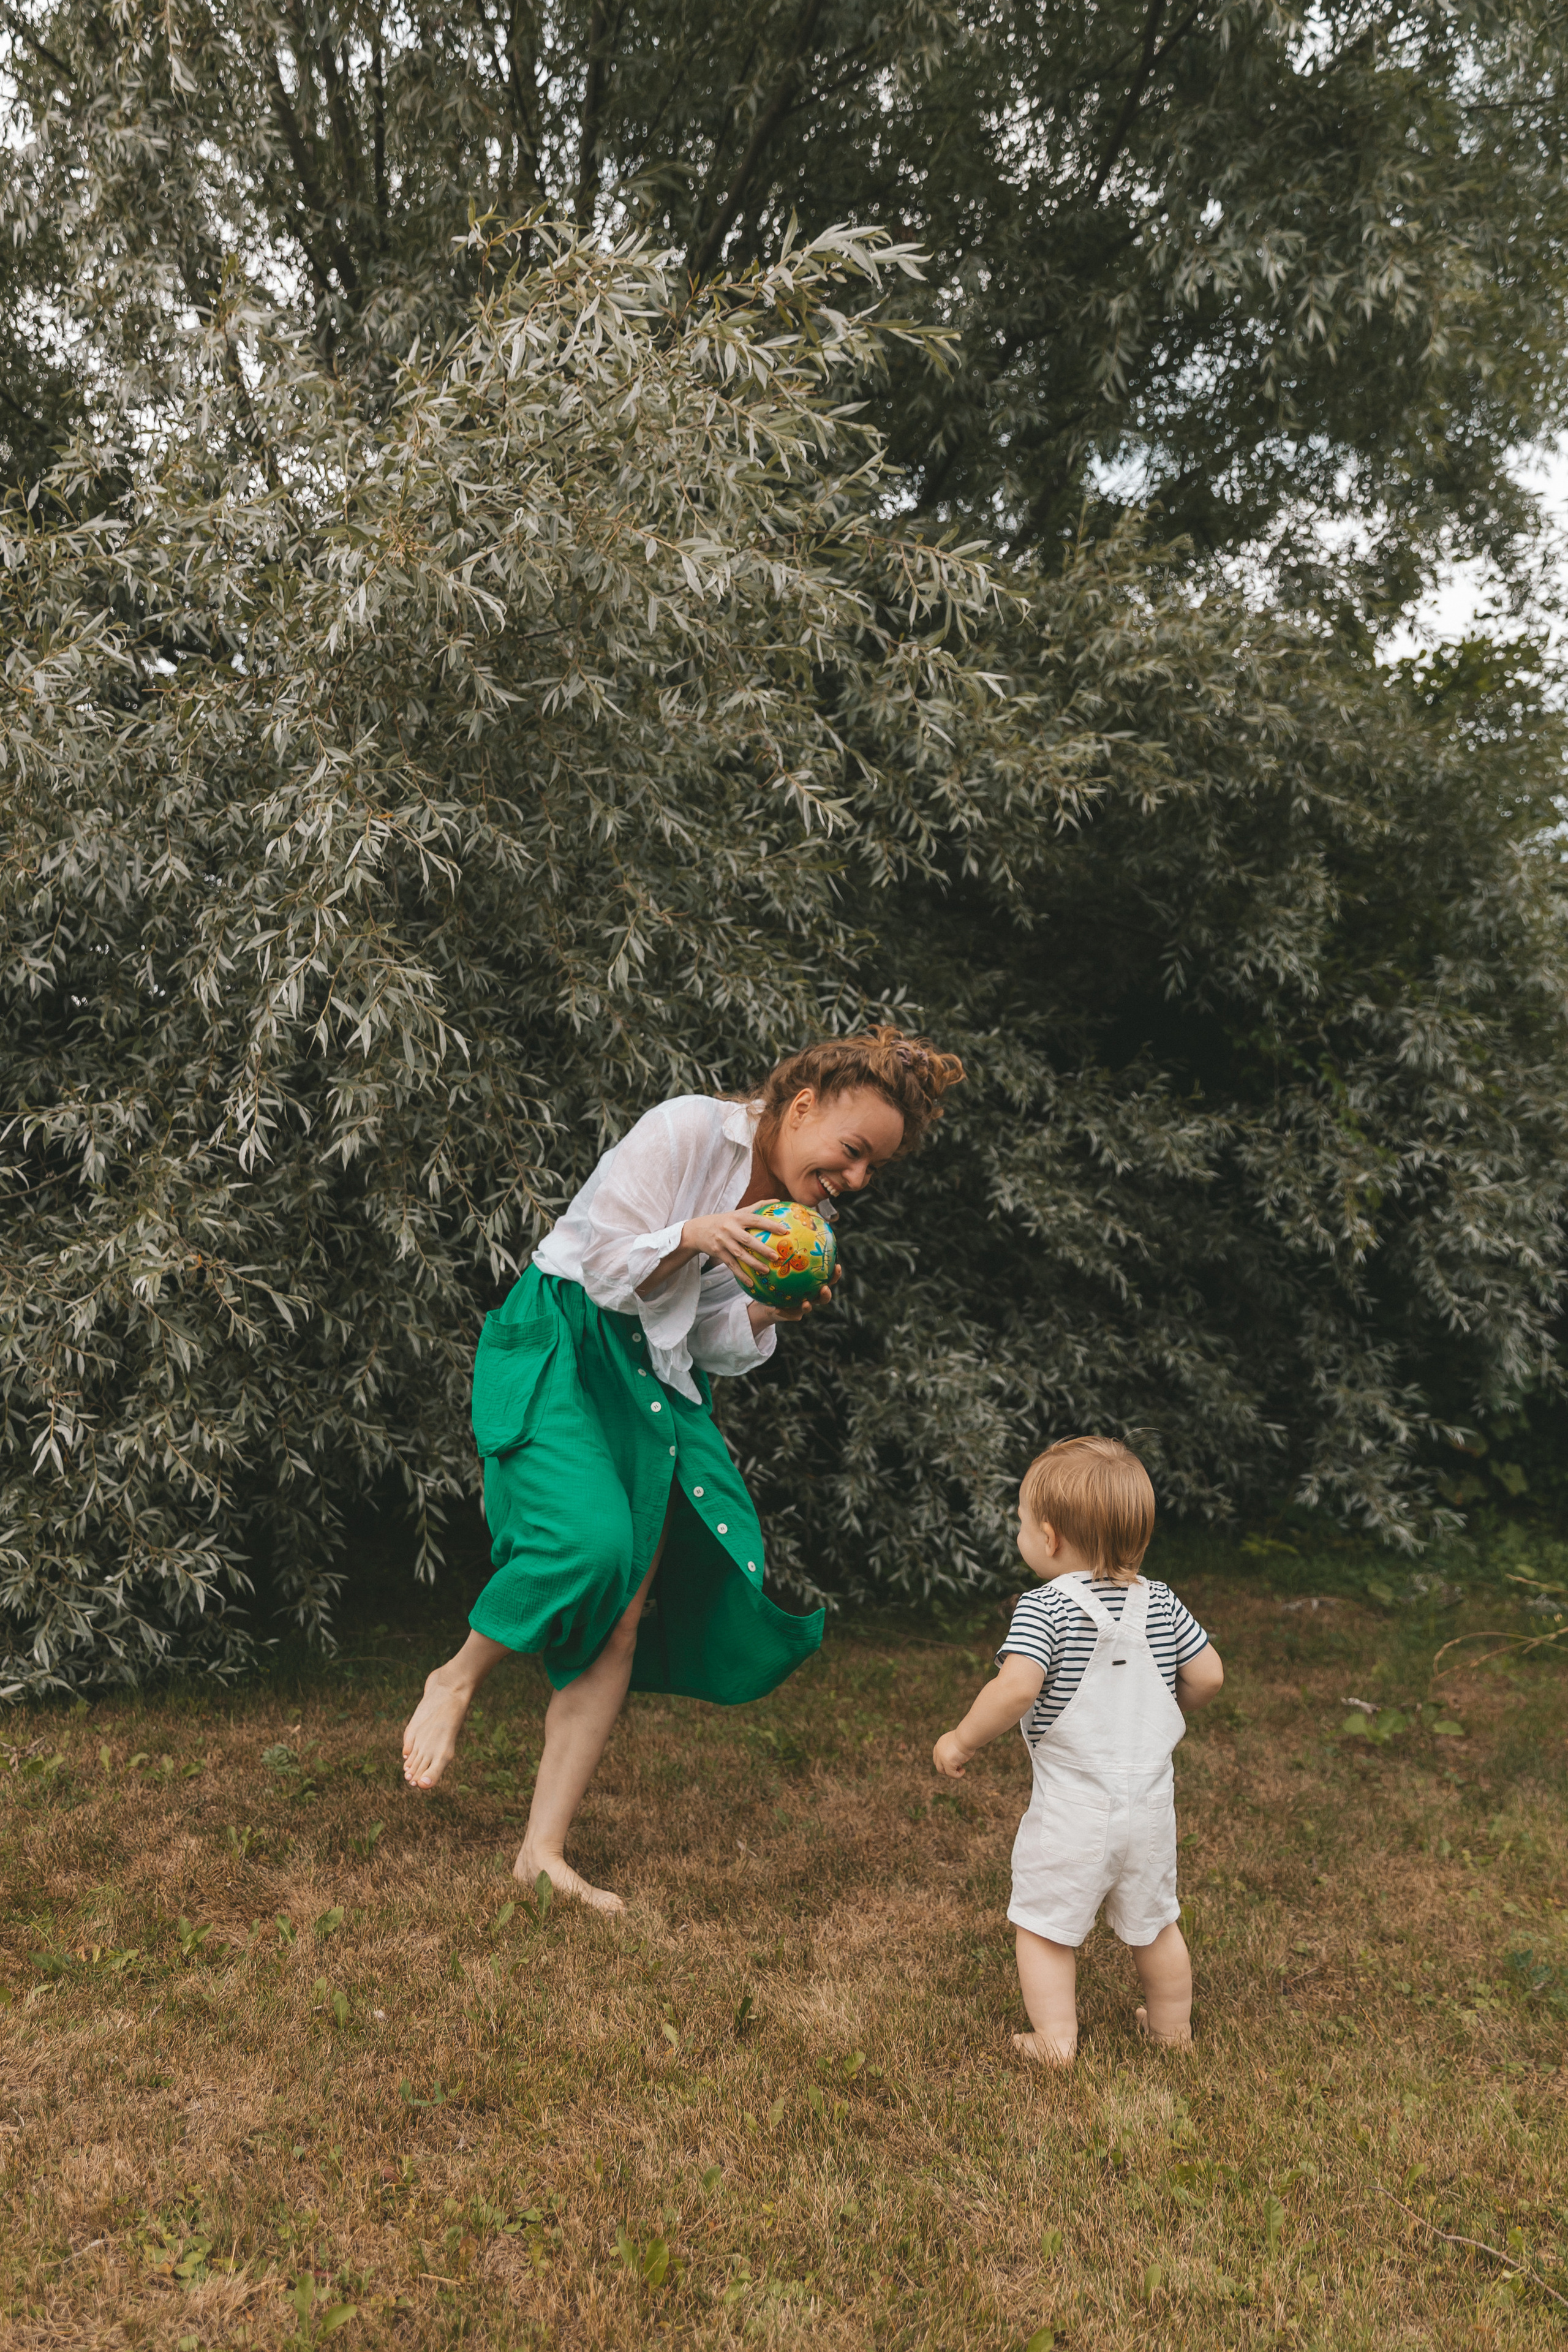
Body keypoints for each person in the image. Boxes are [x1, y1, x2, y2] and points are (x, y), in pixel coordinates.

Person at [402, 1027, 965, 1913]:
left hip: (656, 1367)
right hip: (564, 1331)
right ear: (805, 1104)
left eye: (873, 1172)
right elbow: (601, 1264)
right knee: (585, 1544)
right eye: (852, 1153)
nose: (855, 1181)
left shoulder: (800, 1220)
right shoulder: (686, 1131)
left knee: (623, 1610)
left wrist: (773, 1312)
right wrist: (695, 1231)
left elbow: (706, 1338)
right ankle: (457, 1676)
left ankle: (541, 1852)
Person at [932, 1435, 1224, 2062]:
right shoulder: (1162, 1602)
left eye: (1019, 1524)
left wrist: (962, 1738)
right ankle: (1172, 2031)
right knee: (1156, 1923)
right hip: (1149, 1808)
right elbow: (1209, 1677)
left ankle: (1055, 2040)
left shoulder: (1043, 1609)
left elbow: (1015, 1688)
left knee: (1041, 1926)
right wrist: (1172, 1706)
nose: (1019, 1535)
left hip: (1072, 1812)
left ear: (1050, 1537)